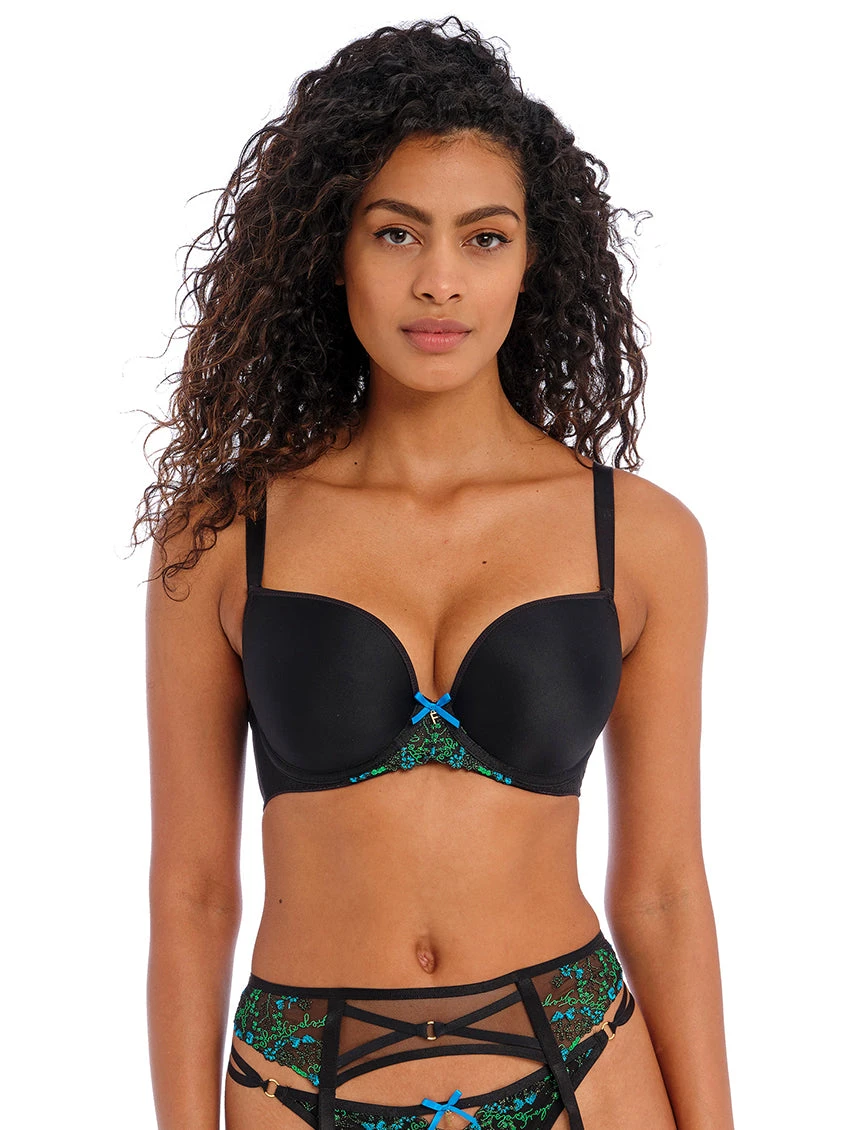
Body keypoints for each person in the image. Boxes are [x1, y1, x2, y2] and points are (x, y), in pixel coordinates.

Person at [137, 16, 734, 1130]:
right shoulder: (221, 535)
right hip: (299, 1084)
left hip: (583, 1069)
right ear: (333, 249)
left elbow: (660, 887)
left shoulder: (640, 536)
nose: (440, 282)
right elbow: (193, 890)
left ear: (533, 259)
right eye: (397, 233)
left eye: (485, 237)